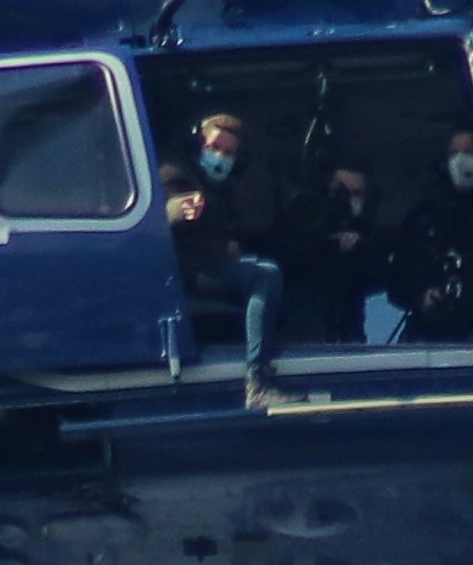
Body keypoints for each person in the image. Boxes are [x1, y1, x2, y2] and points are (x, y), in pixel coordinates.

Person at [159, 110, 287, 404]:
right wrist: (178, 209)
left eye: (229, 153)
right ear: (198, 145)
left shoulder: (221, 190)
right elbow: (164, 207)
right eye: (215, 147)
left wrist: (228, 244)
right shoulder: (175, 173)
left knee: (265, 266)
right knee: (266, 275)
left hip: (211, 264)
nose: (221, 156)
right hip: (187, 273)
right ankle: (257, 379)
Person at [385, 126, 473, 342]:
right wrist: (422, 296)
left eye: (471, 152)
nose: (461, 160)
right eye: (454, 153)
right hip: (432, 340)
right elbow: (398, 280)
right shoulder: (424, 218)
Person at [270, 164, 379, 346]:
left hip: (350, 341)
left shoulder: (366, 235)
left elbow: (378, 277)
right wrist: (329, 246)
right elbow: (286, 263)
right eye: (340, 192)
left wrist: (356, 248)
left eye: (356, 193)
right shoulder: (300, 226)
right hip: (301, 341)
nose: (347, 200)